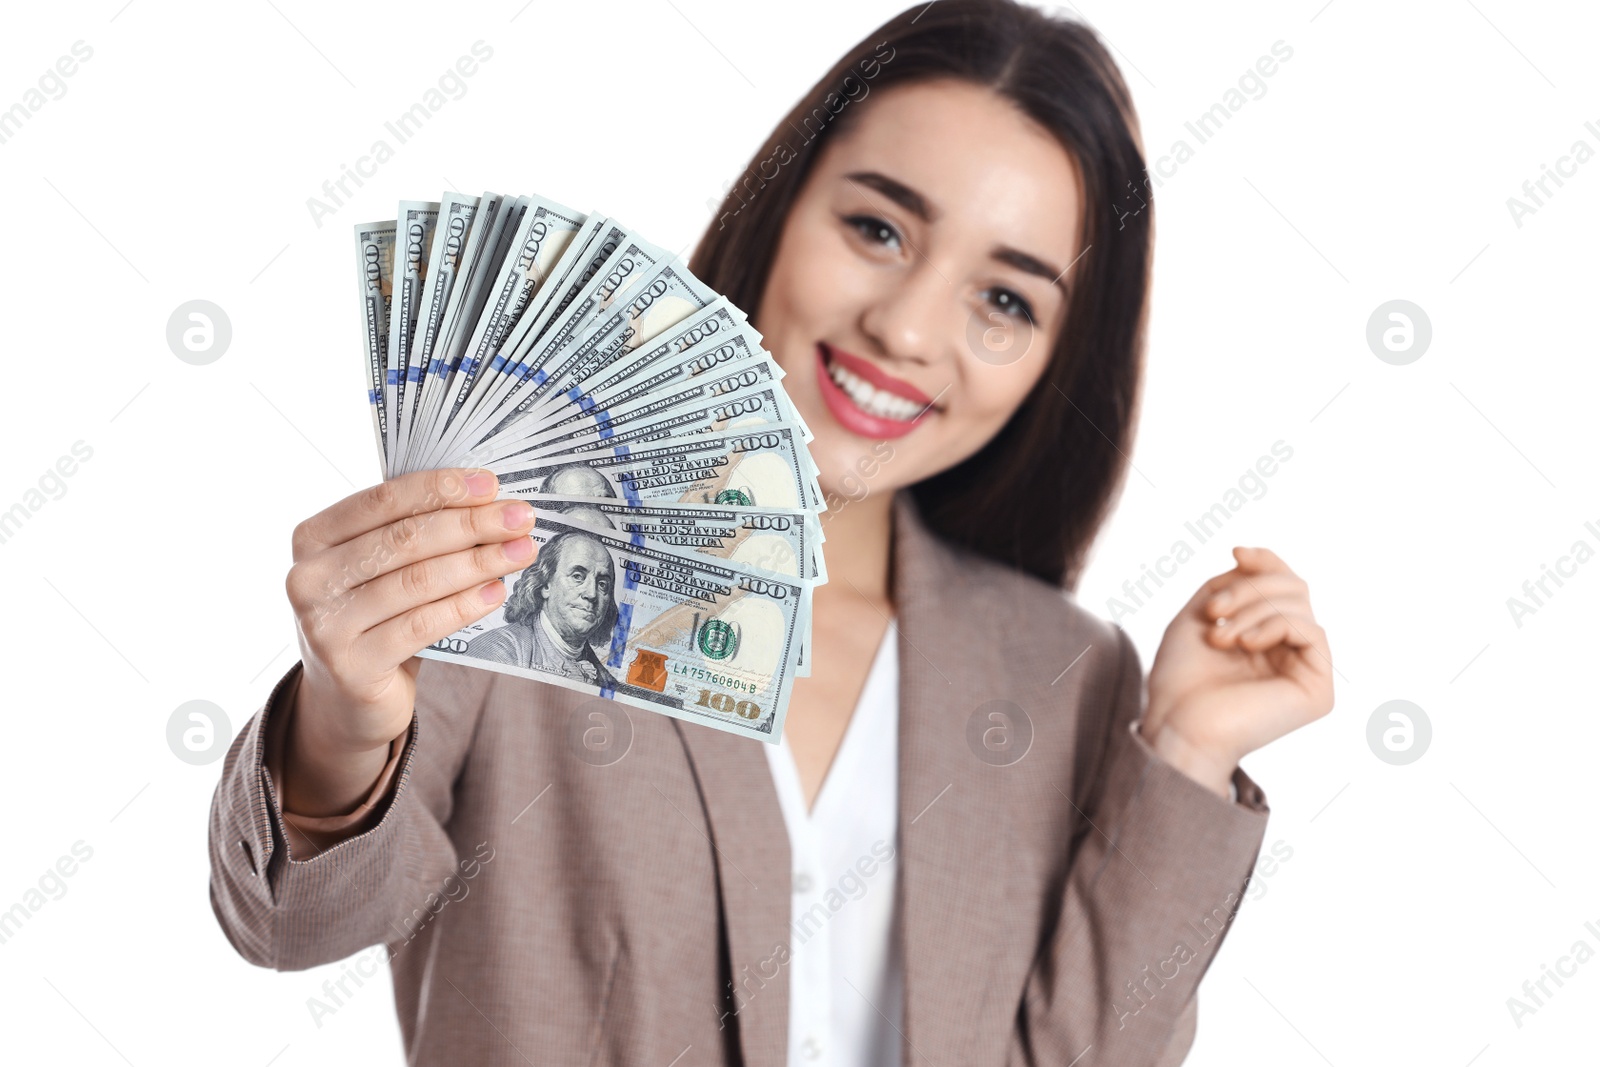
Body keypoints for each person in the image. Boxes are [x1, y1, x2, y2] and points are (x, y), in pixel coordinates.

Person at [208, 2, 1334, 1064]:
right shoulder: (525, 551)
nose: (904, 325)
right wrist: (343, 719)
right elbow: (291, 918)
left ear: (1055, 359)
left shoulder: (1062, 672)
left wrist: (1184, 752)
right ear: (782, 208)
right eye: (877, 226)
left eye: (1005, 300)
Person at [462, 528, 622, 689]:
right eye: (577, 576)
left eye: (602, 584)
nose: (592, 594)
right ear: (546, 584)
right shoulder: (499, 650)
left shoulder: (607, 683)